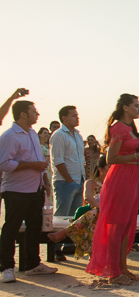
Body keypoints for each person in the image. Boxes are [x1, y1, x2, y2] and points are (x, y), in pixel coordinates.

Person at [86, 94, 139, 285]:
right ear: (125, 107)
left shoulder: (131, 129)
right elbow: (111, 158)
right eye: (136, 106)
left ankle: (122, 267)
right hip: (121, 178)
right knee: (117, 225)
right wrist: (138, 154)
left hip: (131, 178)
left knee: (126, 225)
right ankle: (113, 272)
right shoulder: (118, 128)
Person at [0, 100, 57, 282]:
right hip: (16, 191)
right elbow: (4, 164)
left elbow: (40, 161)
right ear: (23, 114)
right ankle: (7, 267)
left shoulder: (32, 133)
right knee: (11, 228)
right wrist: (31, 165)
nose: (37, 114)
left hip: (36, 190)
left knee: (34, 228)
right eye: (34, 111)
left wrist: (45, 182)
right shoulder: (10, 136)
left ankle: (33, 264)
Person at [47, 155, 108, 259]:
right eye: (109, 167)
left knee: (96, 217)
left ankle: (66, 232)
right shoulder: (90, 182)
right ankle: (94, 256)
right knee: (95, 214)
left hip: (102, 215)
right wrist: (101, 208)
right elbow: (87, 197)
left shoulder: (113, 184)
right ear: (101, 169)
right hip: (92, 213)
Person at [50, 106, 86, 261]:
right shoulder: (58, 135)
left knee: (74, 215)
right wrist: (69, 179)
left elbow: (80, 159)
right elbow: (57, 160)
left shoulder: (77, 135)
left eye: (77, 115)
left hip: (79, 180)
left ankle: (70, 244)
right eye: (73, 115)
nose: (77, 118)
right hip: (65, 181)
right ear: (64, 118)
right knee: (61, 215)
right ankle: (55, 249)